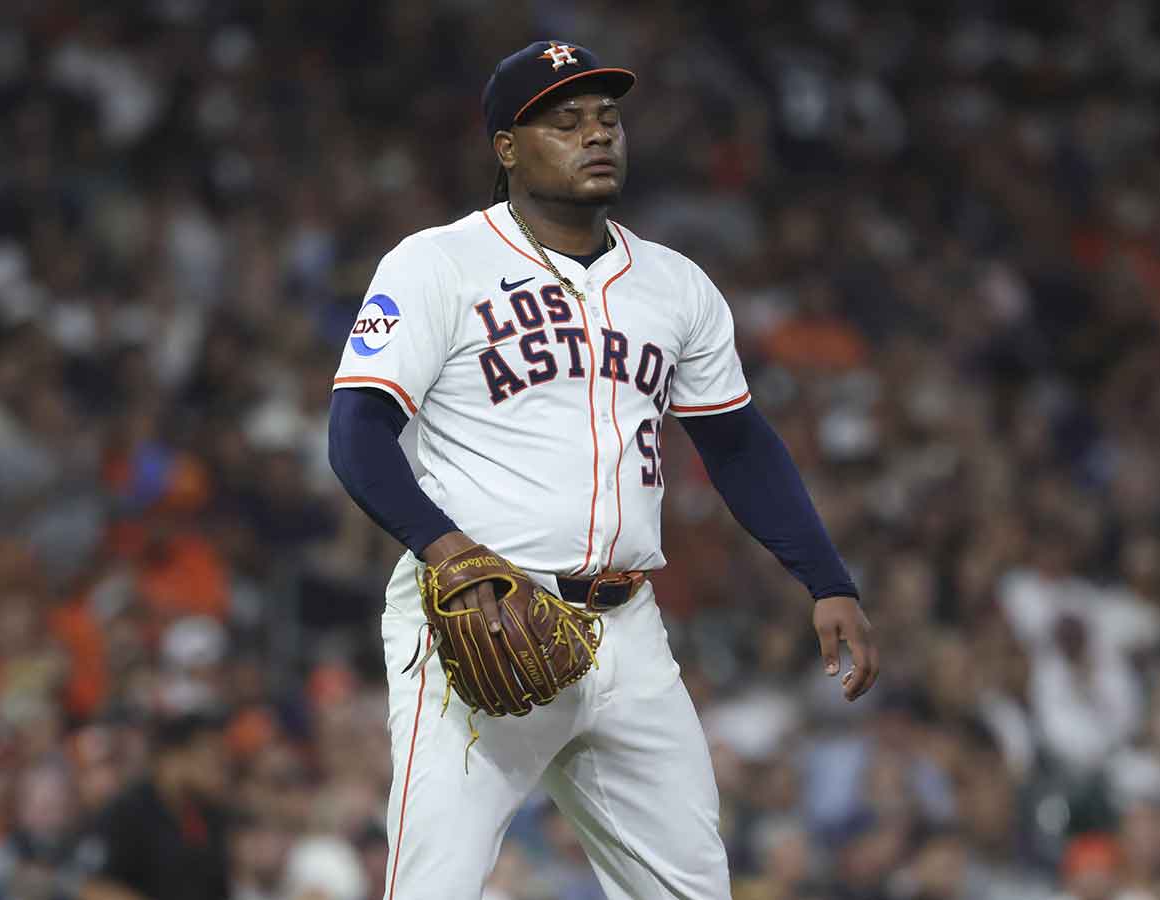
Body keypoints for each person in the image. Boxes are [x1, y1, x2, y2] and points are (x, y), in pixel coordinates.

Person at [327, 39, 879, 898]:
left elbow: (736, 442)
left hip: (629, 629)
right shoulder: (437, 263)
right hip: (481, 618)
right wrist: (446, 553)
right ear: (506, 147)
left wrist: (825, 578)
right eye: (565, 121)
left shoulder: (674, 284)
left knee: (692, 889)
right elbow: (357, 433)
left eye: (608, 118)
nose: (596, 135)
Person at [78, 712, 232, 900]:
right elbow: (92, 888)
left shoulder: (212, 817)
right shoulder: (127, 812)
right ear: (174, 757)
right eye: (211, 754)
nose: (221, 764)